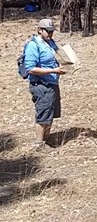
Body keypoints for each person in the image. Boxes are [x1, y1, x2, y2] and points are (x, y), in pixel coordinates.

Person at [24, 18, 67, 150]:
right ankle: (39, 144)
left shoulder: (50, 42)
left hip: (52, 83)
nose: (50, 34)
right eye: (47, 31)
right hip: (41, 85)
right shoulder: (33, 45)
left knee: (50, 112)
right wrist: (53, 70)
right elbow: (30, 68)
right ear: (39, 30)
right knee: (43, 112)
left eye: (52, 31)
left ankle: (46, 140)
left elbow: (58, 55)